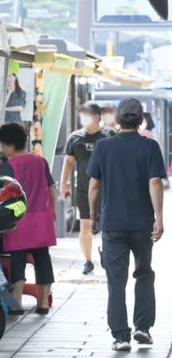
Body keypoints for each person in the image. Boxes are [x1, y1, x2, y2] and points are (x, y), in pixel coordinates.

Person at [87, 98, 166, 352]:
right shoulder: (150, 147)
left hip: (113, 224)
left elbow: (94, 185)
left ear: (117, 120)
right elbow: (155, 183)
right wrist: (159, 217)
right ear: (141, 119)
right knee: (144, 274)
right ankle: (142, 327)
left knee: (116, 280)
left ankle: (121, 336)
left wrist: (93, 215)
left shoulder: (103, 146)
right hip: (142, 225)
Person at [0, 123, 56, 315]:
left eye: (3, 144)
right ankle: (43, 302)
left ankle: (18, 302)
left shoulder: (8, 166)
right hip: (41, 218)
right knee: (42, 258)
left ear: (10, 144)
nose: (2, 149)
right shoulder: (41, 161)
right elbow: (51, 188)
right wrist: (52, 209)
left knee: (18, 258)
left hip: (19, 220)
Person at [60, 103, 116, 275]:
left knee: (108, 226)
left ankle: (107, 256)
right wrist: (63, 183)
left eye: (87, 115)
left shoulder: (109, 135)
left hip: (107, 189)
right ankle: (88, 261)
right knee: (85, 225)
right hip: (84, 189)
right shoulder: (75, 137)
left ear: (97, 117)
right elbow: (68, 162)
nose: (83, 119)